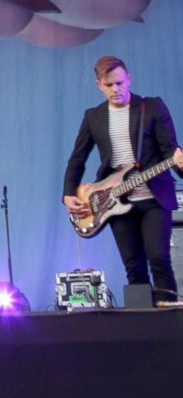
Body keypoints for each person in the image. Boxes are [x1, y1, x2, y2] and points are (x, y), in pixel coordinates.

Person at [62, 56, 183, 305]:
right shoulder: (93, 117)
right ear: (99, 85)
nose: (115, 90)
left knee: (159, 258)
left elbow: (171, 150)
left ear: (129, 79)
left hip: (152, 198)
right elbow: (77, 159)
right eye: (109, 85)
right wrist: (68, 194)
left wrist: (180, 163)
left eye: (119, 83)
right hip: (114, 201)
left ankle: (170, 320)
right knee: (133, 266)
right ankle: (142, 326)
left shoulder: (151, 107)